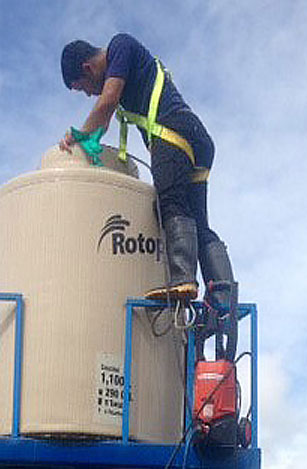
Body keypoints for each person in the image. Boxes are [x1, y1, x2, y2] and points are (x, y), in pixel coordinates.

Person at [59, 33, 236, 316]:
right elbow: (105, 116)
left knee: (170, 202)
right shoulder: (126, 71)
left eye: (83, 89)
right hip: (196, 140)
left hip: (172, 135)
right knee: (198, 221)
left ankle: (183, 280)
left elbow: (107, 100)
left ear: (87, 69)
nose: (88, 94)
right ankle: (224, 295)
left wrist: (77, 134)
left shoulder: (120, 46)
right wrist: (91, 140)